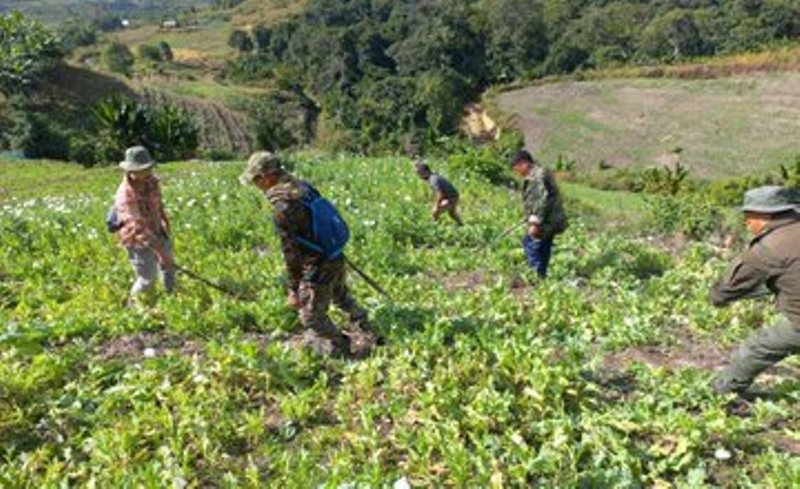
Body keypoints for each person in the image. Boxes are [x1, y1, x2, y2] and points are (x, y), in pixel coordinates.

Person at [240, 151, 375, 357]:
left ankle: (340, 344)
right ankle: (362, 320)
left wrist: (293, 290)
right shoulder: (304, 187)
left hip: (318, 264)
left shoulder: (282, 208)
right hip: (333, 253)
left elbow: (291, 254)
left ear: (266, 177)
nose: (256, 185)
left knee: (310, 317)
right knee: (340, 294)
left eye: (256, 180)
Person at [709, 185, 800, 395]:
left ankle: (719, 395)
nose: (746, 222)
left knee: (755, 349)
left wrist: (717, 298)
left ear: (765, 215)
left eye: (749, 216)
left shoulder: (769, 247)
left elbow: (728, 289)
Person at [113, 146, 176, 307]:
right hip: (137, 241)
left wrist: (164, 222)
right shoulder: (125, 196)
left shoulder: (151, 181)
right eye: (142, 169)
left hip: (157, 229)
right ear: (130, 171)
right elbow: (138, 229)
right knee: (148, 277)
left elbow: (158, 203)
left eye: (148, 168)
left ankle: (172, 296)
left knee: (169, 267)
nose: (147, 172)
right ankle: (133, 305)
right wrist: (160, 252)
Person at [509, 150, 567, 278]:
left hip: (546, 220)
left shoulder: (536, 177)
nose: (517, 172)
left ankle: (535, 275)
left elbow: (540, 200)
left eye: (516, 167)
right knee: (544, 246)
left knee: (530, 243)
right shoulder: (541, 173)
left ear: (524, 163)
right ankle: (541, 274)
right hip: (552, 218)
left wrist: (535, 222)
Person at [414, 160, 463, 226]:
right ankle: (461, 225)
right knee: (452, 213)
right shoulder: (433, 177)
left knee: (435, 212)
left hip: (451, 198)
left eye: (419, 173)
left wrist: (436, 205)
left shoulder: (433, 179)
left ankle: (434, 228)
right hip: (453, 196)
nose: (418, 176)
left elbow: (439, 194)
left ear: (425, 171)